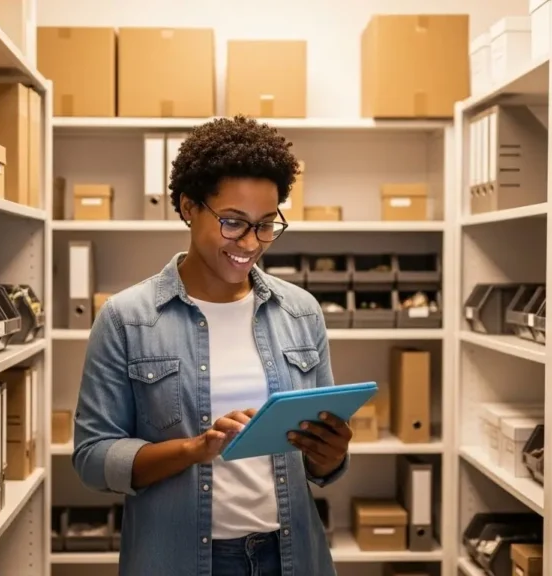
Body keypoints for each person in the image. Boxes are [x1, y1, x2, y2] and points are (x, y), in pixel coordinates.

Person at [72, 115, 351, 576]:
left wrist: (330, 455)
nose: (251, 243)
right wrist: (194, 449)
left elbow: (317, 465)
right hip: (179, 560)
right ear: (188, 206)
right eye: (233, 222)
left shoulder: (301, 312)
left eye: (266, 225)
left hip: (290, 555)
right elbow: (92, 458)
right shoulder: (127, 318)